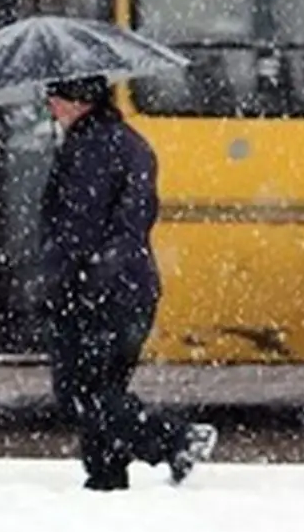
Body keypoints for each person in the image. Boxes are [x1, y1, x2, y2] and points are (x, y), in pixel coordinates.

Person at [36, 75, 217, 491]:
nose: (50, 106)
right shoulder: (127, 142)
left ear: (80, 101)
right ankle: (105, 481)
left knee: (80, 393)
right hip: (128, 289)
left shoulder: (90, 150)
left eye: (57, 98)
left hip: (96, 290)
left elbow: (77, 232)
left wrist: (53, 285)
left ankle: (175, 439)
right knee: (102, 389)